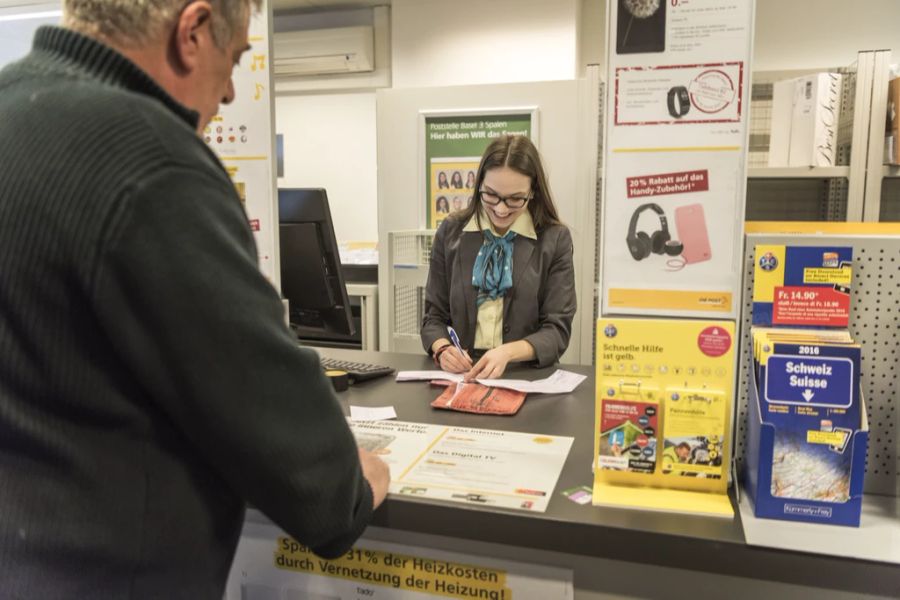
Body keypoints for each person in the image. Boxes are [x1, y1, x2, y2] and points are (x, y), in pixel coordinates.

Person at [0, 1, 389, 597]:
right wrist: (350, 480)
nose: (232, 92)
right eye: (233, 61)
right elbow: (310, 476)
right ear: (194, 31)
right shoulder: (150, 157)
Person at [421, 135, 576, 380]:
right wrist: (442, 349)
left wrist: (508, 353)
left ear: (533, 192)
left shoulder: (554, 240)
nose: (501, 209)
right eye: (491, 195)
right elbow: (434, 317)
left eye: (515, 199)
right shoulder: (451, 232)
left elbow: (557, 330)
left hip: (524, 377)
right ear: (479, 184)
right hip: (463, 376)